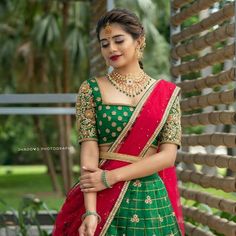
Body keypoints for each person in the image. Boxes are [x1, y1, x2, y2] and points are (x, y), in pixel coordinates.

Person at [53, 8, 184, 236]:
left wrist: (111, 177)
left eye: (118, 40)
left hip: (151, 202)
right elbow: (89, 152)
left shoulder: (166, 94)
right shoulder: (90, 89)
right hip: (101, 197)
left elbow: (168, 156)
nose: (111, 48)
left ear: (139, 41)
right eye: (104, 44)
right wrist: (91, 212)